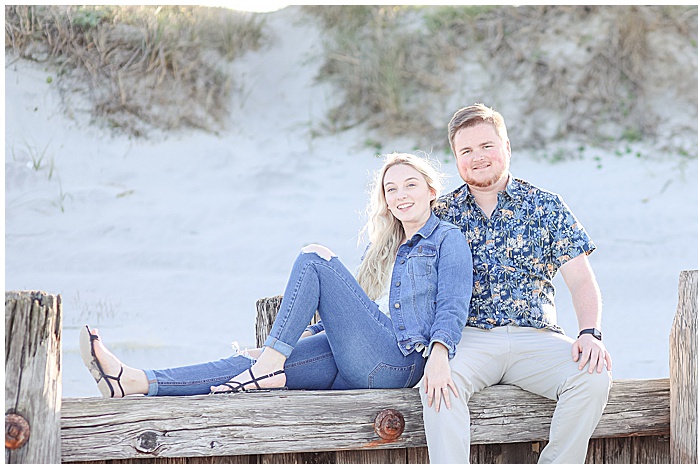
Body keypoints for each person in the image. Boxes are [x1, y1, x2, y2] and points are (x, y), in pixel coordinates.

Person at [80, 153, 473, 398]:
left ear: (431, 191)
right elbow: (359, 319)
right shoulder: (383, 253)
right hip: (356, 360)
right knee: (244, 370)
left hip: (397, 363)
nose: (401, 195)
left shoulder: (447, 240)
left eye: (410, 185)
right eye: (391, 189)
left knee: (315, 258)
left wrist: (439, 357)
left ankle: (269, 360)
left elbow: (452, 308)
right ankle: (134, 381)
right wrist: (284, 346)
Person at [423, 104, 613, 464]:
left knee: (592, 374)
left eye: (487, 145)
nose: (478, 156)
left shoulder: (544, 205)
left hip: (536, 336)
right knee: (438, 385)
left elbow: (582, 279)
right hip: (468, 336)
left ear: (506, 147)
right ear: (455, 158)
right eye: (466, 150)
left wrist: (590, 332)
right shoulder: (443, 212)